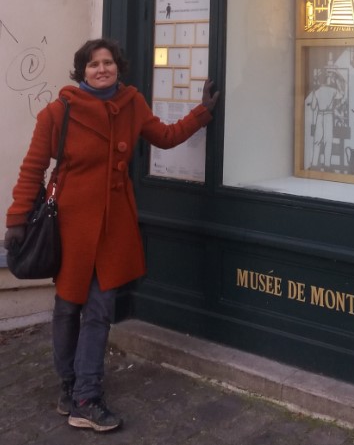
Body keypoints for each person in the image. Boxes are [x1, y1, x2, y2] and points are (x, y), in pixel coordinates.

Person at [3, 38, 219, 433]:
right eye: (93, 64)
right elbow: (32, 168)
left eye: (108, 63)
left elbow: (166, 136)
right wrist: (16, 219)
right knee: (68, 308)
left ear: (117, 67)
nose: (101, 69)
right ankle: (68, 388)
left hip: (113, 228)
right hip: (71, 228)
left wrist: (202, 113)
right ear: (81, 71)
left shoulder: (131, 104)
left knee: (99, 311)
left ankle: (86, 396)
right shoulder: (59, 112)